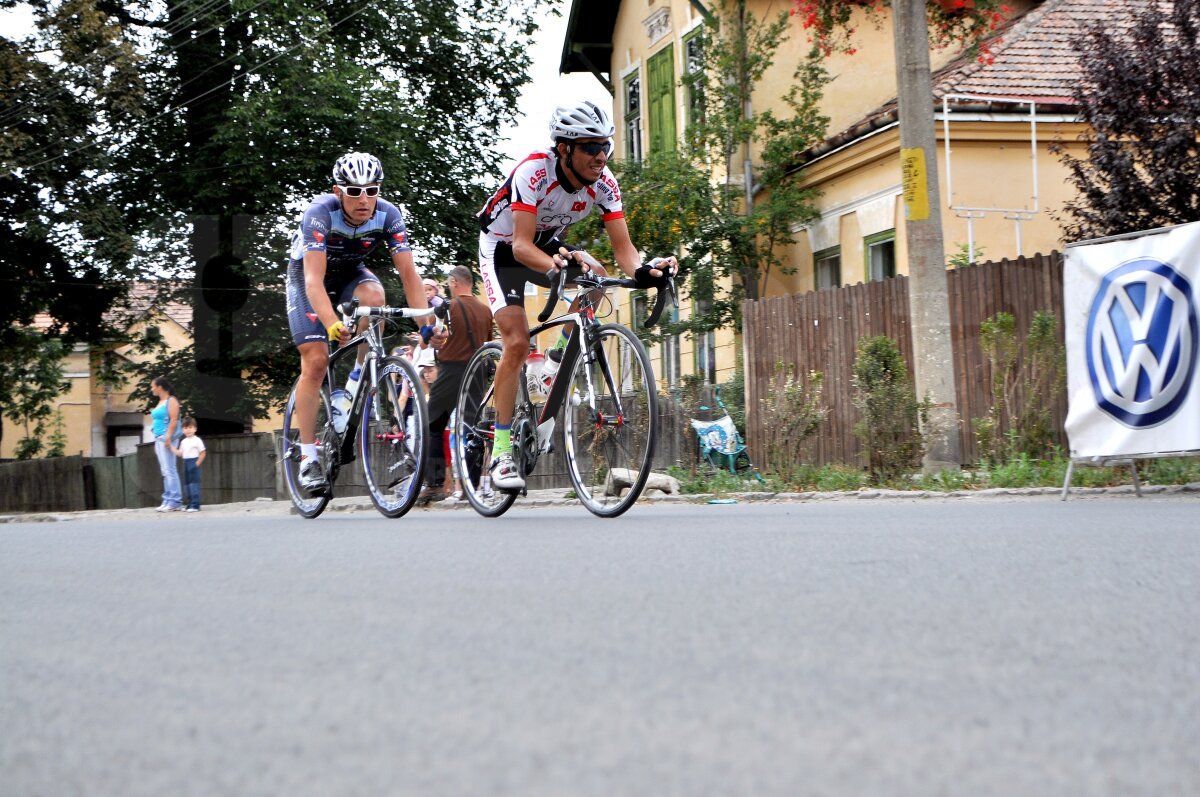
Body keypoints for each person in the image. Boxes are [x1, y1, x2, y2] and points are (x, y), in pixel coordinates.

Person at [476, 100, 677, 490]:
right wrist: (557, 266)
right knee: (515, 344)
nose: (600, 156)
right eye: (590, 147)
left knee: (598, 276)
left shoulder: (605, 183)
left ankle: (554, 361)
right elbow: (519, 246)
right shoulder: (533, 172)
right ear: (564, 148)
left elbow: (624, 250)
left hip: (547, 245)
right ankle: (501, 453)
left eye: (606, 147)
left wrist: (645, 270)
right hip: (503, 249)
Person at [285, 152, 428, 493]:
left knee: (376, 300)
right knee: (316, 360)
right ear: (338, 191)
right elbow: (313, 282)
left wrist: (426, 323)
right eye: (354, 191)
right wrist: (332, 323)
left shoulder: (388, 214)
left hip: (350, 274)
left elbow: (409, 275)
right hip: (310, 277)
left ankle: (356, 378)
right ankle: (308, 459)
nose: (364, 199)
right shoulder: (319, 214)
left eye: (372, 190)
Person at [419, 265, 492, 502]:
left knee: (434, 424)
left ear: (453, 282)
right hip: (478, 370)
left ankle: (435, 483)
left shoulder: (447, 307)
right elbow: (488, 343)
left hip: (451, 370)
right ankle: (471, 486)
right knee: (472, 427)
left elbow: (426, 340)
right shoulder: (485, 310)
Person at [148, 376, 183, 512]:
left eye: (153, 386)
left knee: (170, 470)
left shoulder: (171, 400)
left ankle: (175, 501)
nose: (152, 389)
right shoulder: (161, 401)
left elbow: (174, 420)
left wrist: (168, 438)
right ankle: (168, 499)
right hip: (159, 438)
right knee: (165, 470)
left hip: (167, 438)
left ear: (159, 387)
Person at [171, 416, 206, 512]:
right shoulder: (183, 441)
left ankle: (195, 505)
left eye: (190, 427)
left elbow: (203, 452)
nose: (188, 430)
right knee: (187, 485)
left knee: (194, 484)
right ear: (182, 430)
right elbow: (180, 453)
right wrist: (171, 448)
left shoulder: (197, 440)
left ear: (195, 429)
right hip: (185, 462)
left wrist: (197, 463)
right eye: (186, 428)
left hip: (193, 462)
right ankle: (189, 504)